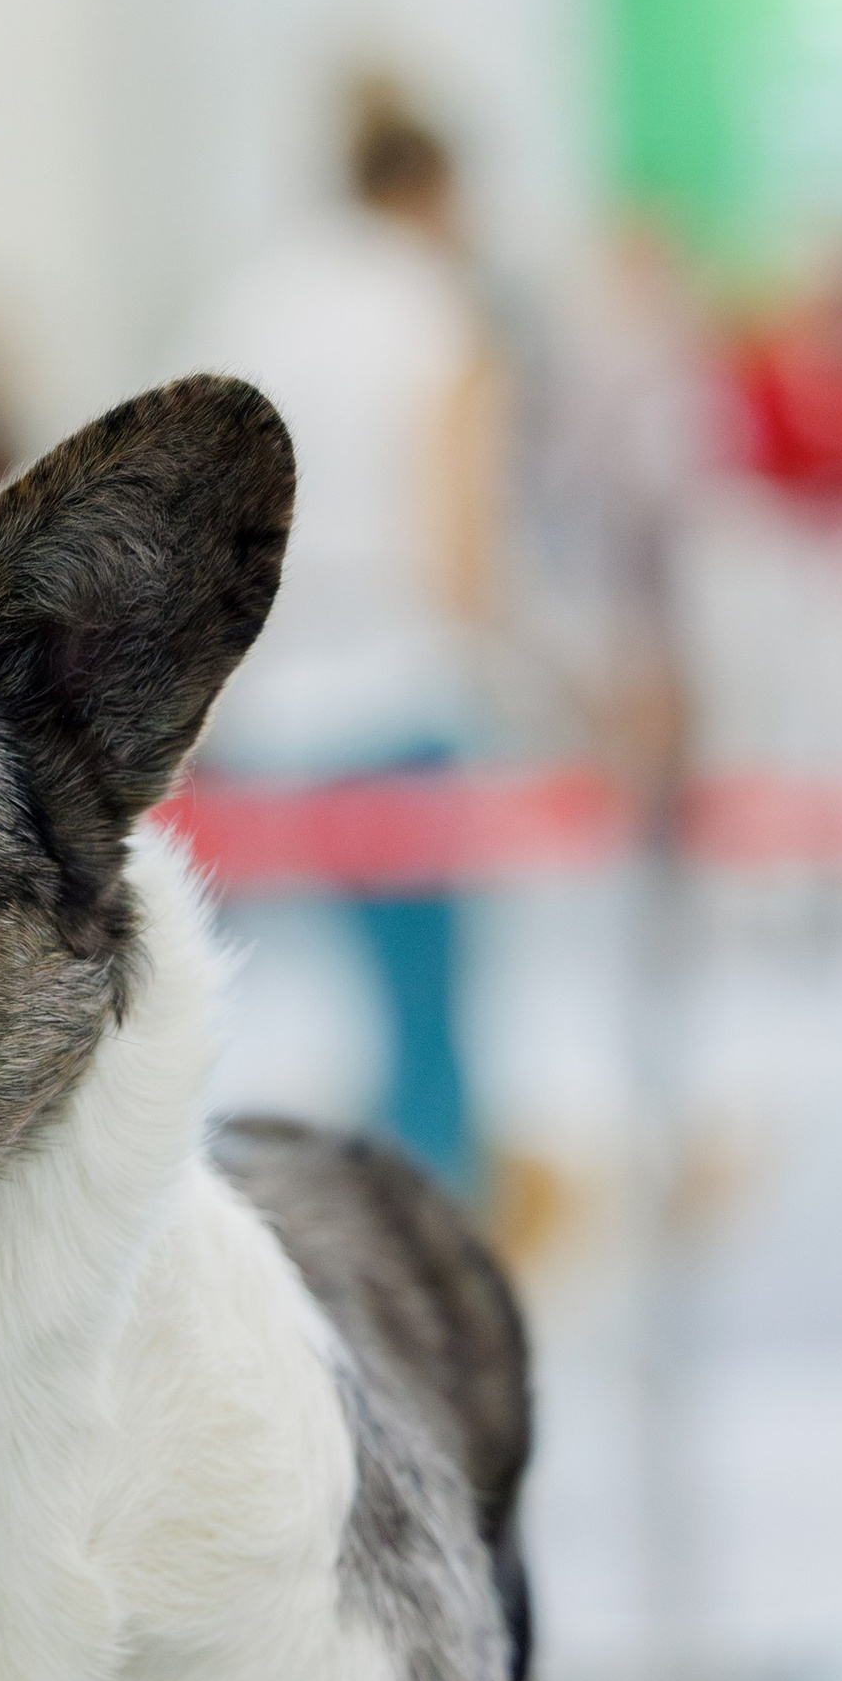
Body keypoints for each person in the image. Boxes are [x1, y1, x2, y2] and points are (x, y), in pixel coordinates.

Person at [190, 75, 508, 1194]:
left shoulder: (253, 300)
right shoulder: (437, 308)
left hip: (254, 704)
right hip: (395, 694)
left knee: (192, 1019)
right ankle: (439, 1270)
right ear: (437, 190)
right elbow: (460, 550)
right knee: (427, 1037)